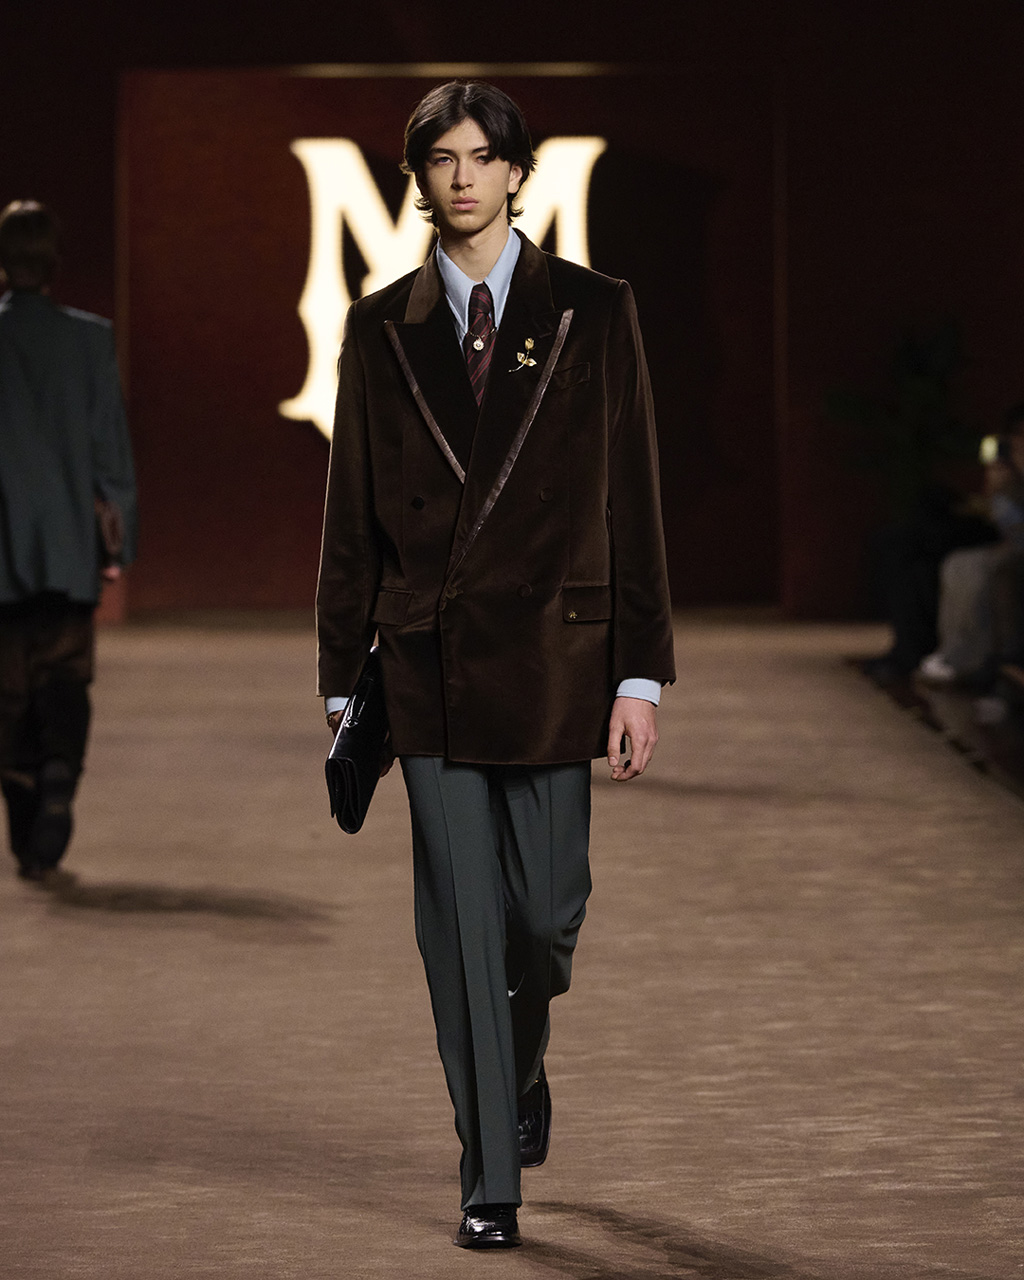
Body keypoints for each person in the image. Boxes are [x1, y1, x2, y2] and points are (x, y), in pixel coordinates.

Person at [316, 81, 674, 1249]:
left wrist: (639, 674)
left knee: (547, 921)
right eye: (441, 158)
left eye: (483, 156)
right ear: (418, 177)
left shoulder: (593, 308)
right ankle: (488, 1176)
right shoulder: (380, 326)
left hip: (558, 657)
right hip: (428, 659)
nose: (463, 177)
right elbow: (351, 505)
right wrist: (342, 672)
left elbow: (631, 494)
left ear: (519, 171)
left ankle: (519, 1062)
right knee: (464, 931)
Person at [0, 201, 137, 882]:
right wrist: (117, 544)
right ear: (53, 260)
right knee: (63, 673)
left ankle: (29, 832)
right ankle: (58, 777)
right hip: (65, 542)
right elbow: (109, 451)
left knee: (8, 690)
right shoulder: (89, 340)